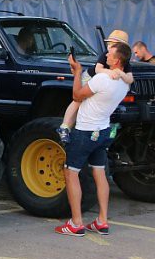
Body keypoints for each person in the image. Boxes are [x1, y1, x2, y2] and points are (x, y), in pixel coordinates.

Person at [55, 41, 132, 237]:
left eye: (110, 55)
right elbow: (128, 78)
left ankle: (76, 223)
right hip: (103, 131)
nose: (105, 56)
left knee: (71, 173)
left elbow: (76, 95)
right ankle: (102, 221)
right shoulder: (124, 83)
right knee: (100, 174)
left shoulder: (101, 80)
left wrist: (77, 72)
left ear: (116, 61)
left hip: (85, 132)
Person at [57, 30, 134, 144]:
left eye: (113, 44)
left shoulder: (124, 61)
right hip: (90, 77)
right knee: (78, 100)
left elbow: (130, 78)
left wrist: (120, 73)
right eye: (109, 43)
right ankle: (65, 126)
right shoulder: (105, 55)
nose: (109, 47)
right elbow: (98, 69)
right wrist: (110, 72)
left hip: (102, 87)